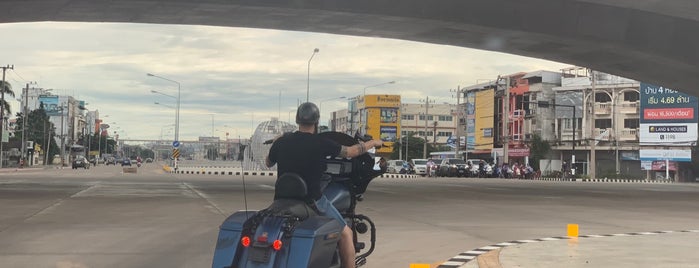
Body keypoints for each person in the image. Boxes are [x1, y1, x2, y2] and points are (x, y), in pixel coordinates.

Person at [266, 102, 383, 268]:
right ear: (316, 121)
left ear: (297, 120)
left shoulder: (282, 142)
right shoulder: (321, 143)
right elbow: (351, 152)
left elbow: (268, 163)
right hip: (311, 201)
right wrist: (372, 143)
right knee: (346, 234)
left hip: (280, 201)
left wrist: (277, 142)